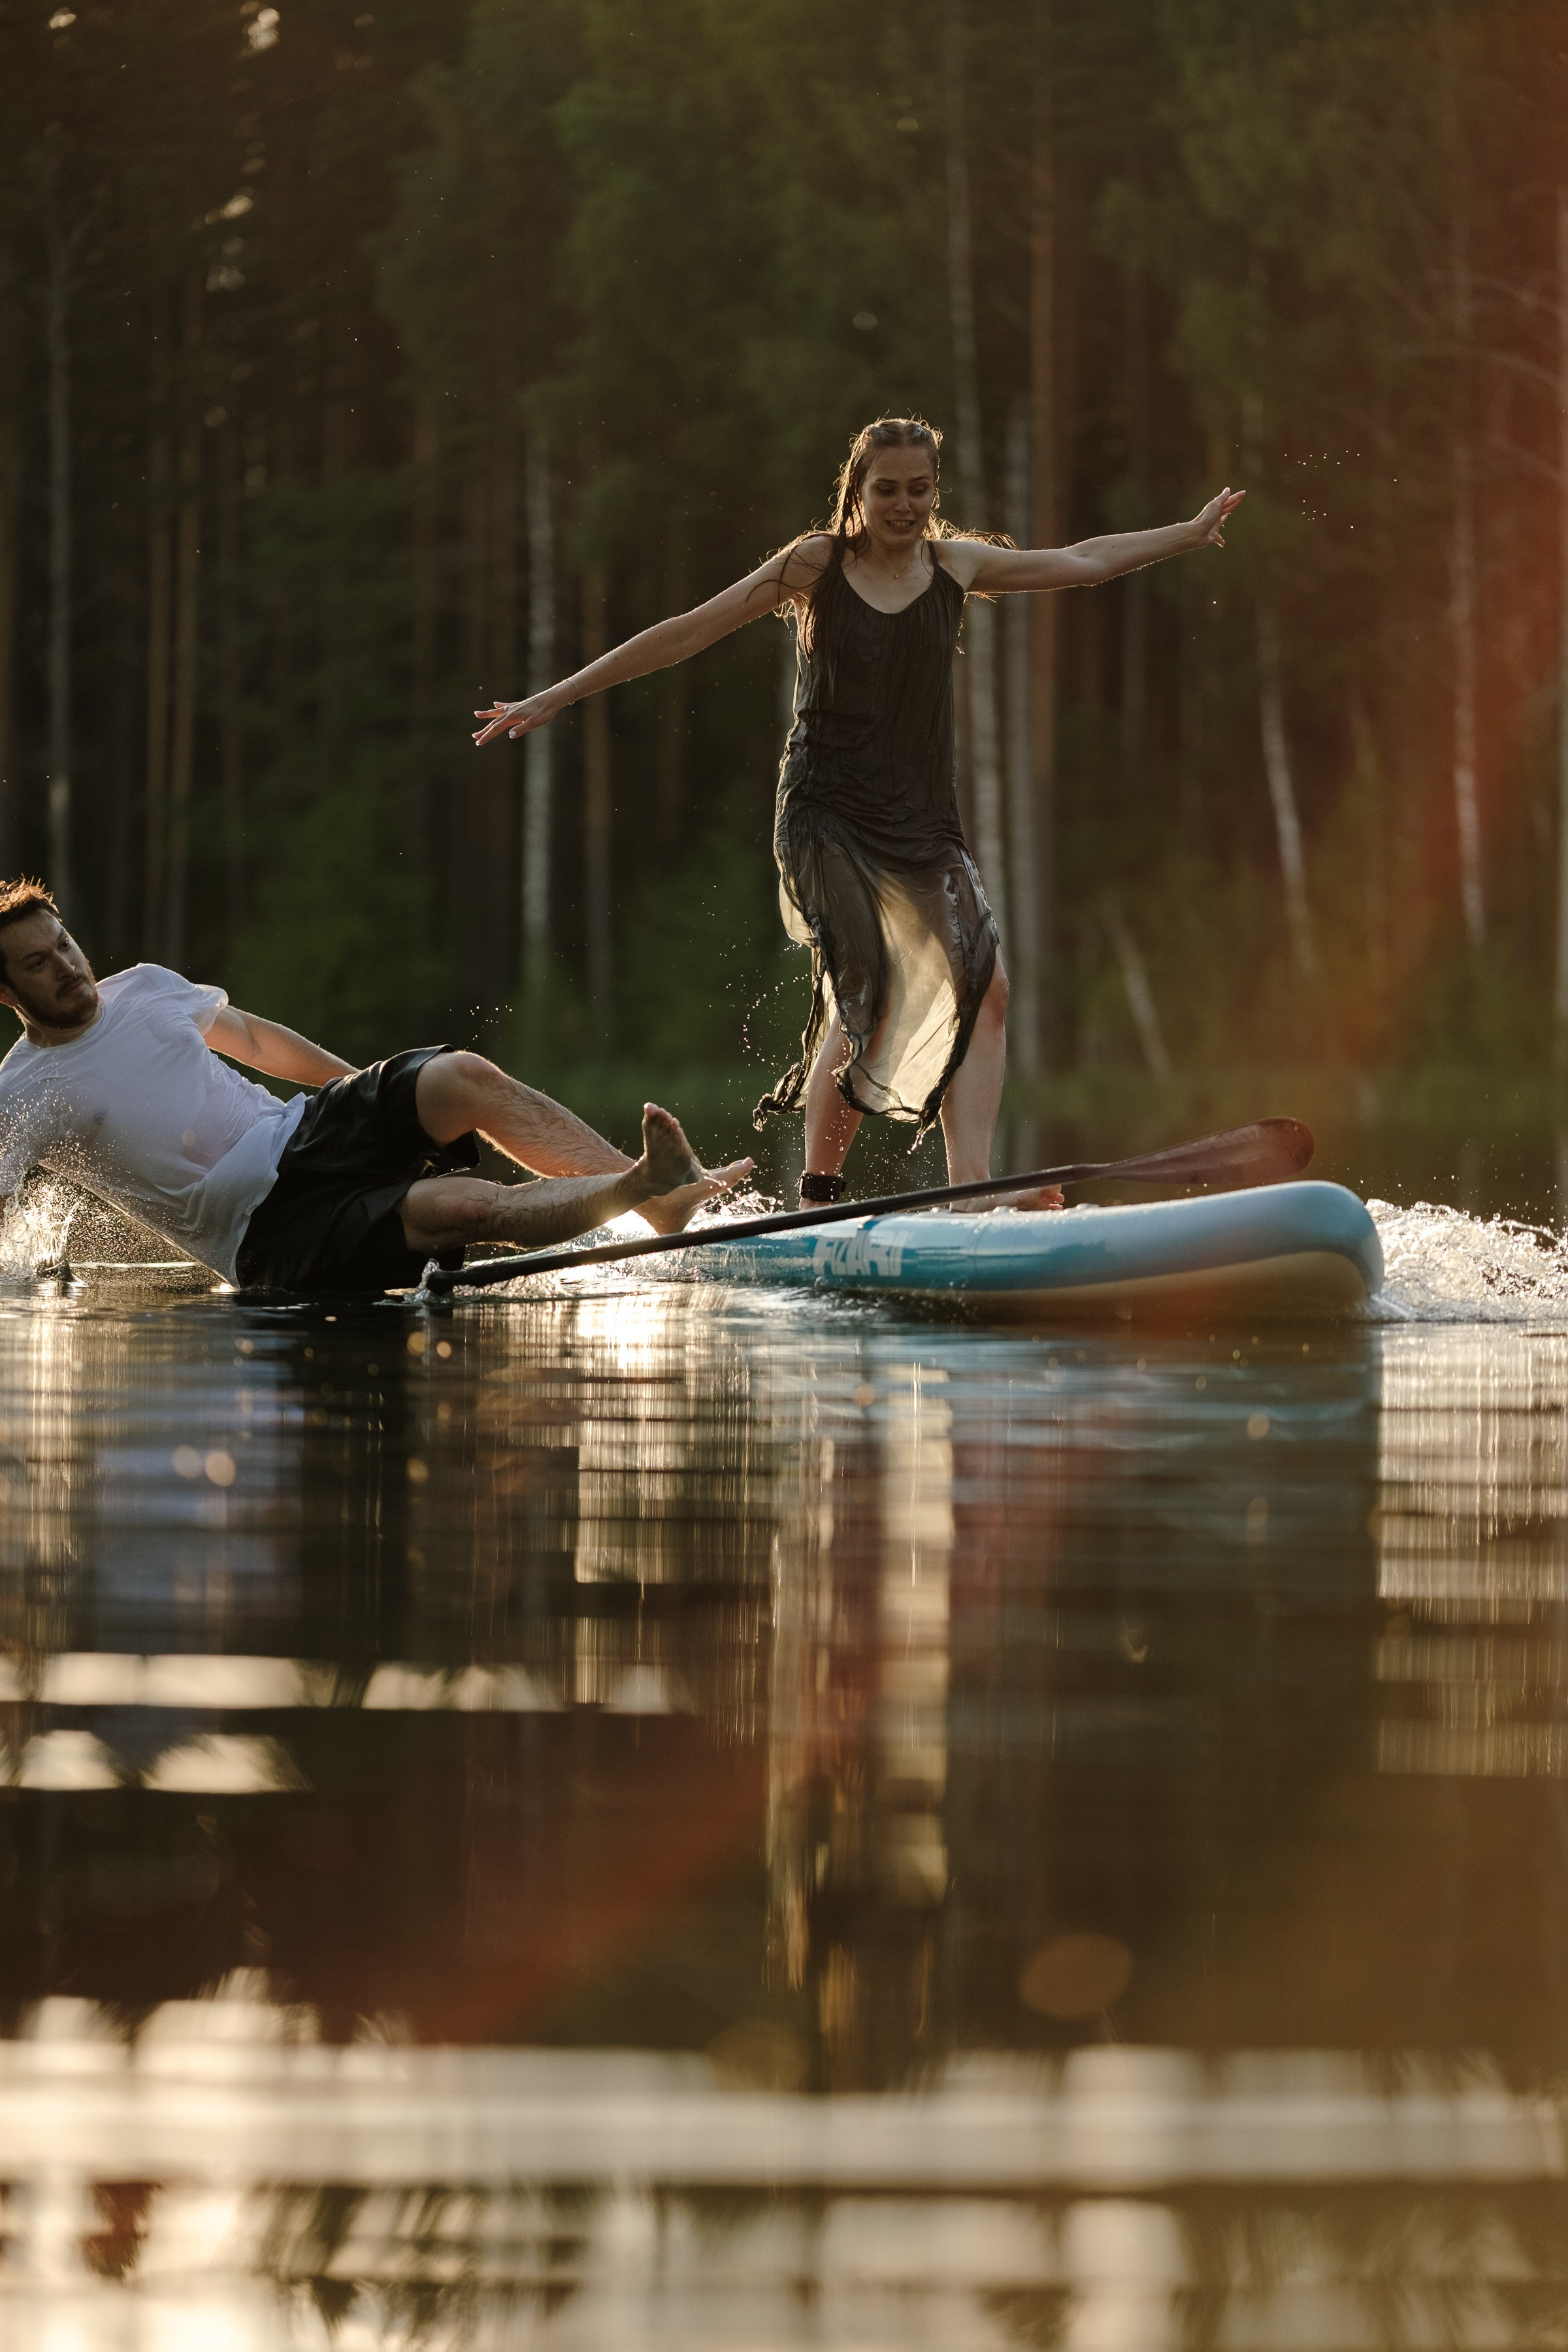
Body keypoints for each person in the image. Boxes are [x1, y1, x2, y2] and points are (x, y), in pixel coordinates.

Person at [475, 417, 1243, 1207]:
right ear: (858, 492)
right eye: (887, 490)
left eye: (919, 490)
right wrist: (555, 695)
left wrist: (1186, 534)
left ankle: (973, 1190)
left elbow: (1082, 560)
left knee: (989, 988)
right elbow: (684, 634)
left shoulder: (957, 566)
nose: (903, 506)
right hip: (824, 812)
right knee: (868, 989)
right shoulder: (816, 566)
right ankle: (818, 1193)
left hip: (921, 819)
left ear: (934, 492)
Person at [0, 881, 751, 1291]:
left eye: (64, 944)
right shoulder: (21, 1092)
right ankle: (642, 1186)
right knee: (461, 1207)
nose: (67, 966)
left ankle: (658, 1203)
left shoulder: (147, 988)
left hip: (304, 1129)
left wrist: (368, 1096)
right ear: (8, 995)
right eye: (38, 964)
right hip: (263, 1236)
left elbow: (260, 1043)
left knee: (460, 1076)